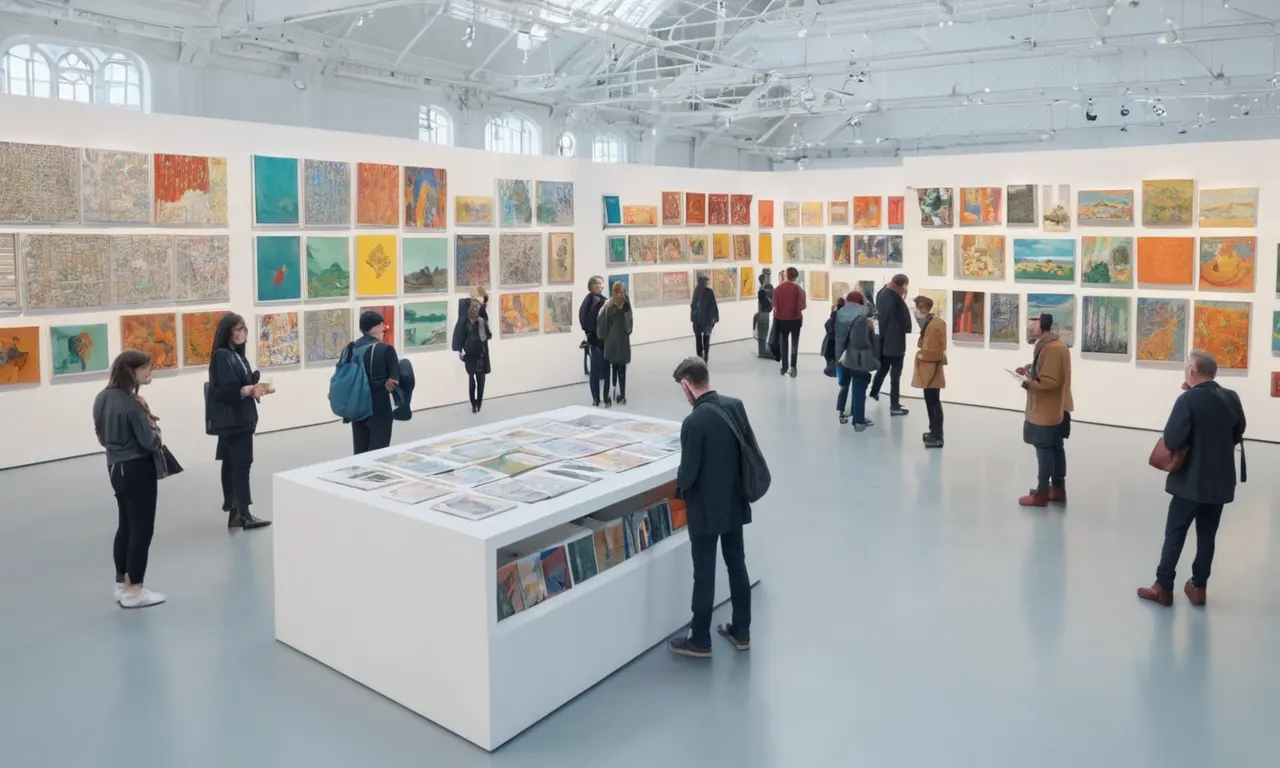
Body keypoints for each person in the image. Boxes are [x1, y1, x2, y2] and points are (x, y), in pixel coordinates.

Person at [1138, 350, 1246, 607]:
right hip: (1219, 481)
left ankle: (1163, 586)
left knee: (1175, 533)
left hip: (1190, 481)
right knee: (1207, 535)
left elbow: (1173, 439)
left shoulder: (1188, 399)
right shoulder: (1231, 397)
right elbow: (1238, 432)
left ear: (1192, 371)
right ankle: (1198, 587)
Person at [668, 356, 754, 658]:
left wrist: (679, 490)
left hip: (705, 509)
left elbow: (689, 472)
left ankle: (700, 638)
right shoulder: (734, 406)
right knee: (737, 564)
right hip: (734, 502)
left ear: (687, 385)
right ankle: (741, 631)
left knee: (704, 572)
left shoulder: (694, 422)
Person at [93, 349, 165, 609]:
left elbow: (101, 437)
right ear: (132, 371)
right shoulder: (133, 404)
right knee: (142, 529)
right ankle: (135, 590)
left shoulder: (102, 398)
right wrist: (151, 421)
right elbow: (150, 442)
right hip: (137, 469)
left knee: (125, 525)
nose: (150, 373)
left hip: (115, 468)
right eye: (146, 368)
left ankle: (121, 583)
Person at [207, 313, 271, 529]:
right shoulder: (223, 355)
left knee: (234, 464)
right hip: (235, 421)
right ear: (227, 332)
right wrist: (248, 389)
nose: (242, 333)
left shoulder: (235, 354)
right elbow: (226, 390)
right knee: (241, 465)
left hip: (239, 419)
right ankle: (243, 514)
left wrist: (252, 383)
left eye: (244, 328)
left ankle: (236, 513)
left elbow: (236, 383)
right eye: (237, 329)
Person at [1017, 313, 1073, 505]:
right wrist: (1029, 369)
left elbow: (1051, 381)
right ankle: (1057, 488)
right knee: (1056, 447)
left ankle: (1041, 493)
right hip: (1058, 407)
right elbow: (1047, 370)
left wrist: (1029, 384)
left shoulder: (1050, 349)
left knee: (1045, 449)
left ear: (1042, 326)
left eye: (1034, 322)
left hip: (1047, 409)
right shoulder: (1055, 345)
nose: (1031, 325)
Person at [348, 310, 400, 454]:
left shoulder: (351, 348)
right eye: (382, 325)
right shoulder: (386, 349)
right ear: (377, 326)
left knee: (359, 451)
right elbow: (394, 381)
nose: (384, 328)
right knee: (378, 452)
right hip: (379, 406)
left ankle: (358, 476)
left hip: (357, 405)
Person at [834, 291, 880, 431]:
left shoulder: (841, 312)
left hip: (844, 355)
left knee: (846, 385)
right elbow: (862, 341)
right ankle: (859, 421)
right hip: (860, 356)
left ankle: (846, 412)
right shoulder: (863, 314)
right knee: (860, 387)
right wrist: (873, 331)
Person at [870, 274, 913, 416]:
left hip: (889, 341)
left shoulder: (884, 293)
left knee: (884, 368)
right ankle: (894, 406)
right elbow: (884, 319)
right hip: (893, 342)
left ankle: (874, 393)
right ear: (902, 285)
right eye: (905, 286)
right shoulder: (889, 296)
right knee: (895, 374)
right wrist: (880, 338)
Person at [910, 295, 947, 448]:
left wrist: (921, 355)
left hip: (931, 370)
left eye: (918, 308)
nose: (916, 312)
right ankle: (934, 432)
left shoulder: (934, 325)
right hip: (930, 369)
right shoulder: (931, 323)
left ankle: (937, 436)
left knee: (933, 402)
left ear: (922, 307)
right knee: (931, 401)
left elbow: (934, 351)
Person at [597, 280, 633, 405]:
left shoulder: (608, 305)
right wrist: (627, 332)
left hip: (611, 341)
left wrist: (604, 336)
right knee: (621, 370)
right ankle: (622, 396)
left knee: (609, 370)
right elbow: (629, 324)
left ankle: (608, 396)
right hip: (622, 340)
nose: (621, 294)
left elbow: (603, 324)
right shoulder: (626, 304)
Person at [460, 291, 492, 413]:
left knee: (471, 378)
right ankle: (478, 404)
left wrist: (461, 351)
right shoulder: (482, 320)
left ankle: (473, 405)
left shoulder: (466, 321)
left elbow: (461, 337)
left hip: (469, 354)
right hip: (481, 353)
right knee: (481, 380)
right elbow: (488, 335)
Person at [579, 276, 608, 406]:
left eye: (601, 284)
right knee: (595, 370)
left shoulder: (605, 300)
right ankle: (596, 397)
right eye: (597, 284)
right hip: (595, 340)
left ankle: (604, 396)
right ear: (591, 286)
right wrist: (590, 332)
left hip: (604, 340)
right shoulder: (589, 300)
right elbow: (583, 319)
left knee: (605, 369)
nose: (600, 286)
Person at [772, 266, 806, 377]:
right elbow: (803, 306)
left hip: (782, 320)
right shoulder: (800, 290)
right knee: (795, 343)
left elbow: (775, 307)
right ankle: (793, 367)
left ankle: (784, 366)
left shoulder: (777, 290)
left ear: (786, 275)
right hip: (796, 320)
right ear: (796, 277)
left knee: (784, 343)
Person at [690, 272, 718, 363]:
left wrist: (713, 319)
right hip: (699, 320)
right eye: (704, 281)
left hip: (705, 321)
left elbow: (713, 306)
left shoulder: (706, 292)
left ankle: (704, 357)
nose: (705, 283)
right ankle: (702, 357)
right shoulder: (697, 291)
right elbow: (693, 305)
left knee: (704, 340)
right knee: (700, 340)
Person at [754, 269, 774, 359]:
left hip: (765, 314)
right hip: (765, 314)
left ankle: (763, 351)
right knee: (763, 334)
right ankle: (762, 351)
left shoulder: (766, 290)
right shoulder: (765, 291)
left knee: (763, 334)